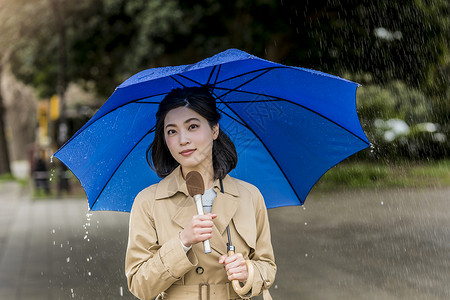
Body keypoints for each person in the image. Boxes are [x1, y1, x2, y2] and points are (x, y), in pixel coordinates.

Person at [125, 87, 276, 300]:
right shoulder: (148, 202)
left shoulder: (250, 196)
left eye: (193, 126)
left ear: (214, 130)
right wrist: (183, 242)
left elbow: (267, 266)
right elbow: (139, 285)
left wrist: (248, 272)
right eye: (172, 131)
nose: (183, 139)